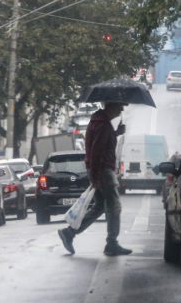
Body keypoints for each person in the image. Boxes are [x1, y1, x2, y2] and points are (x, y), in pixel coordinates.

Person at [58, 101, 132, 256]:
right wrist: (96, 175)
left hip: (99, 170)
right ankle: (112, 243)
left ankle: (70, 233)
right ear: (111, 106)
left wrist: (116, 133)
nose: (122, 108)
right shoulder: (103, 125)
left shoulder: (100, 123)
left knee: (99, 207)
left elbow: (99, 146)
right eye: (120, 105)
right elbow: (97, 151)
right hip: (104, 170)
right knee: (114, 207)